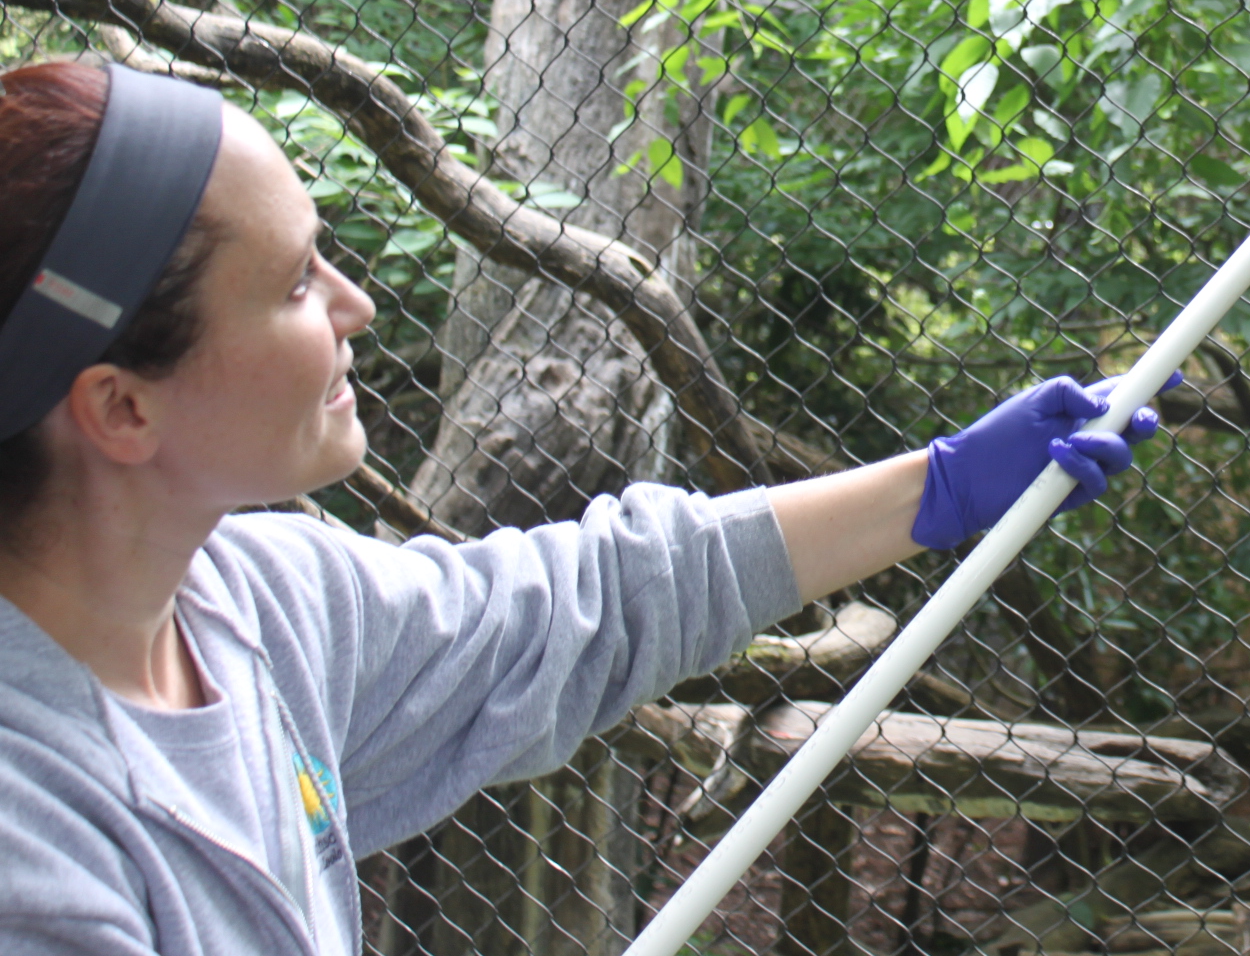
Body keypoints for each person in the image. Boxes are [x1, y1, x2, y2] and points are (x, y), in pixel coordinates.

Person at [0, 59, 1172, 955]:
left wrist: (940, 486)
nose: (353, 302)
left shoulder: (255, 602)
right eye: (300, 278)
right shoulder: (30, 830)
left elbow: (585, 600)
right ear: (121, 408)